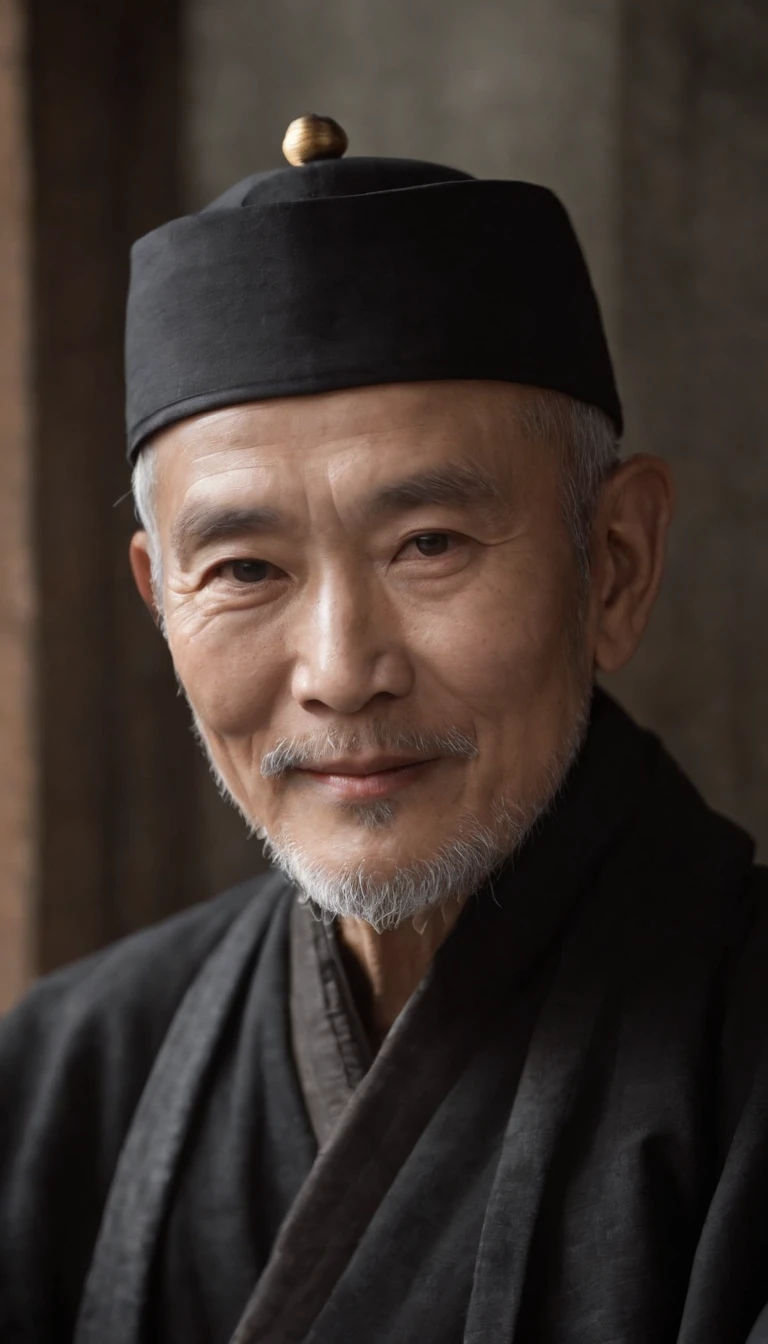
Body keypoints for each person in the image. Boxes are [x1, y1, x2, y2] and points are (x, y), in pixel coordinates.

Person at [1, 114, 767, 1344]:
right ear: (160, 603)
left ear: (613, 564)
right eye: (245, 569)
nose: (341, 673)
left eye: (431, 546)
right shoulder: (64, 1073)